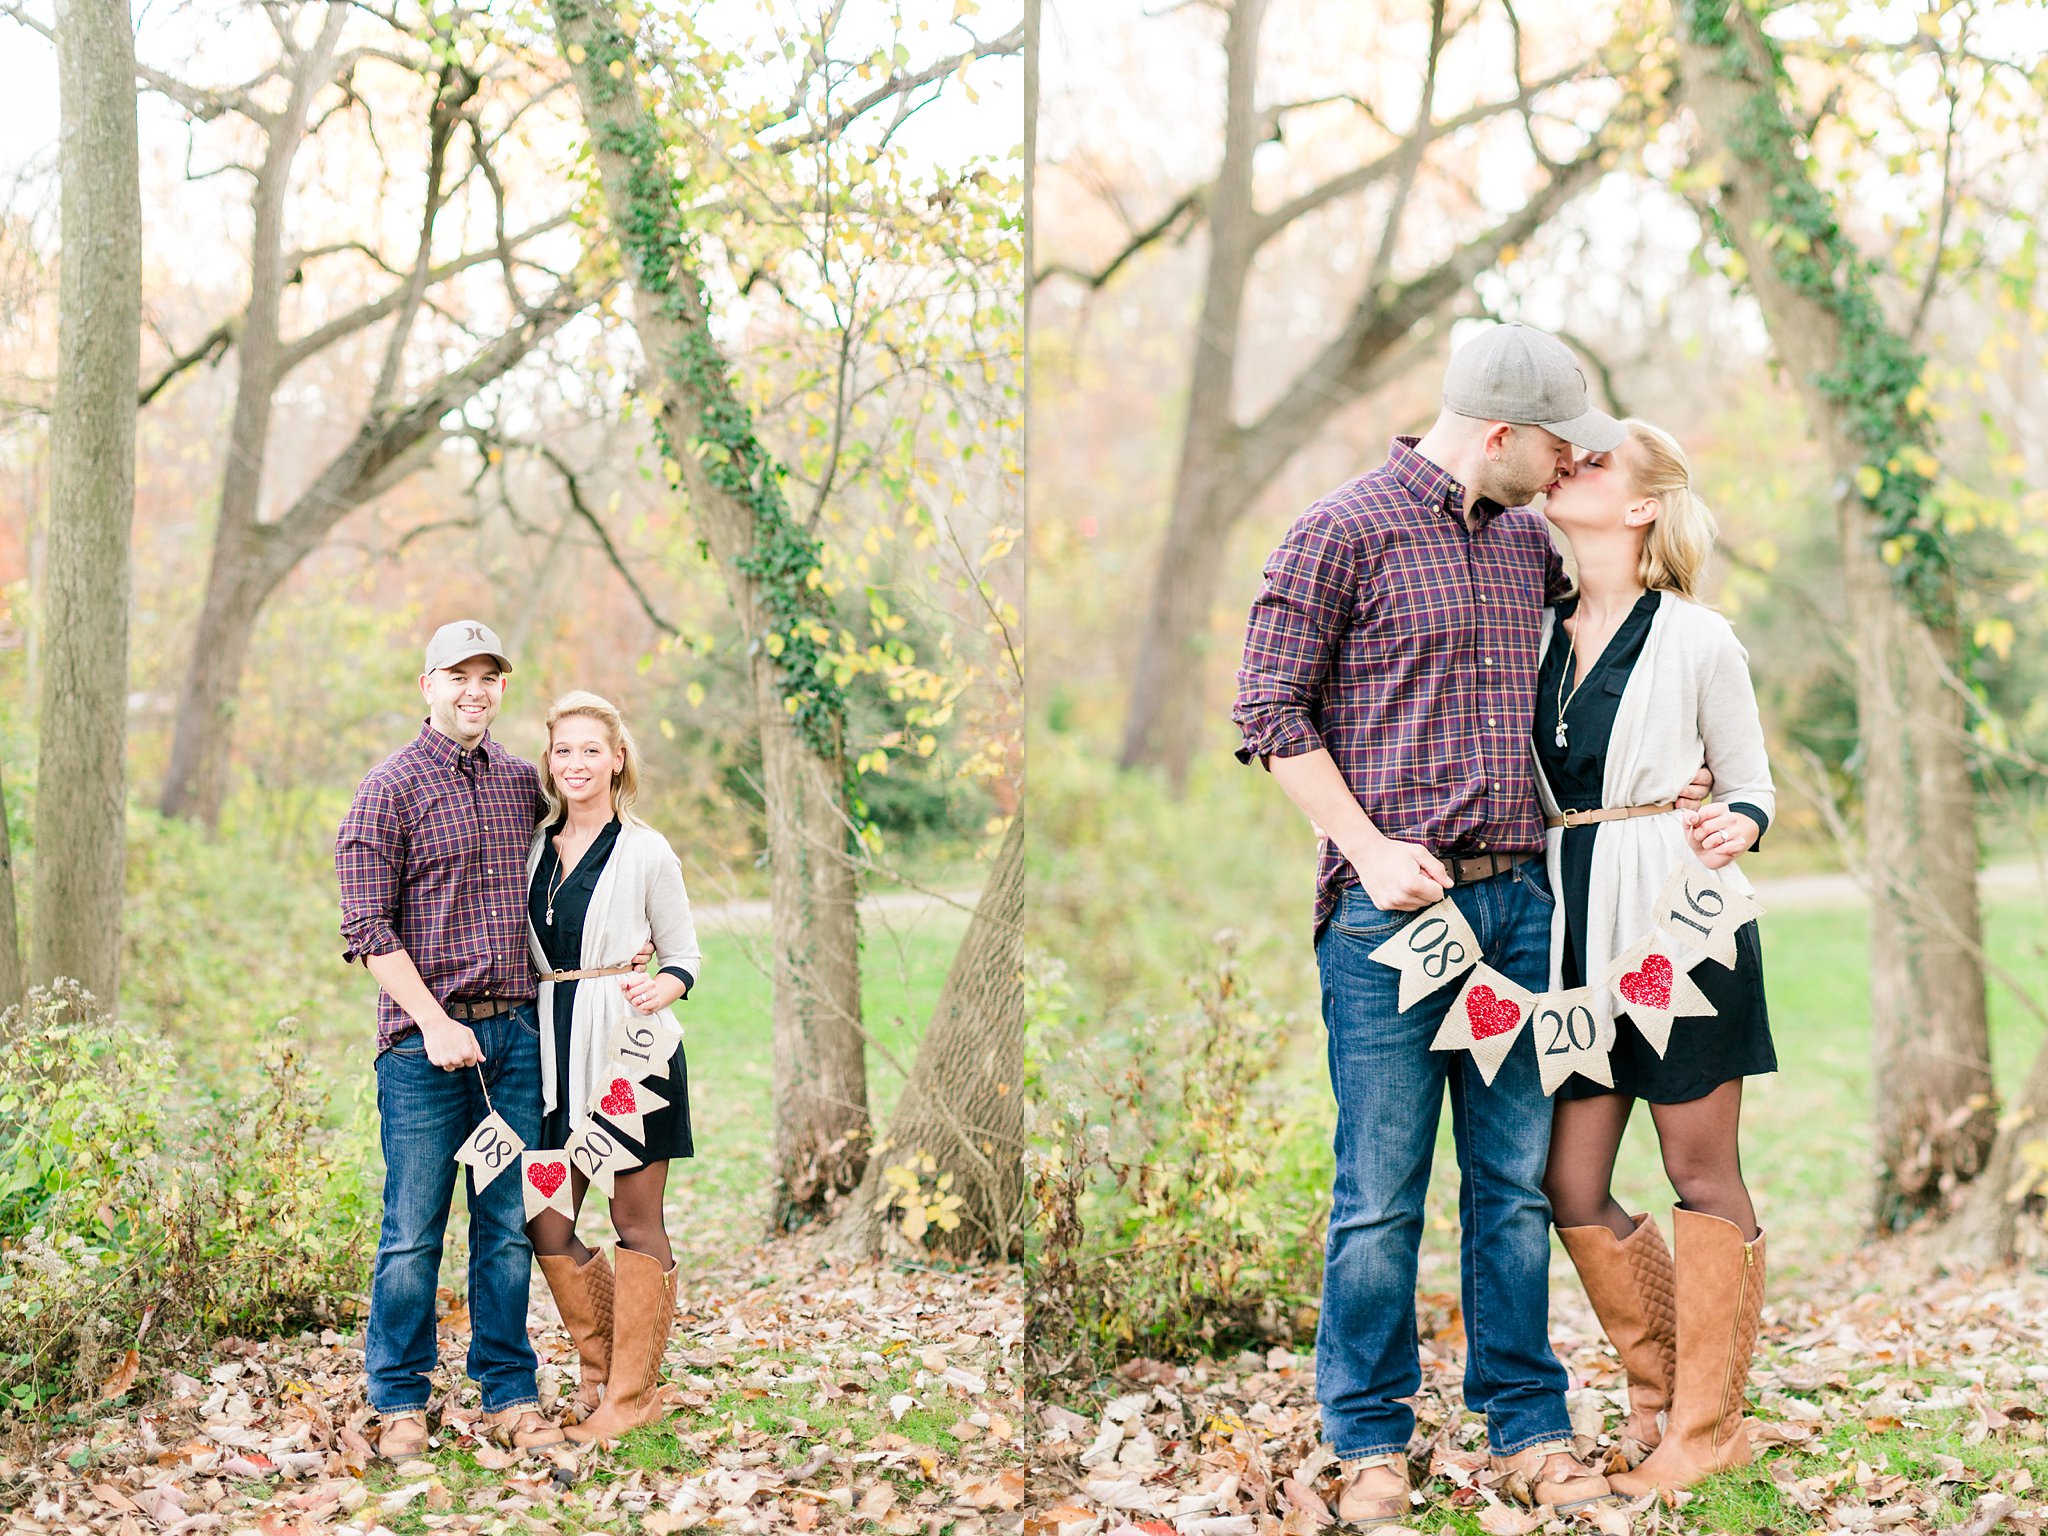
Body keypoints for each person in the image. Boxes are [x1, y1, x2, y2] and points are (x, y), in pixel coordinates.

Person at [1232, 324, 1709, 1524]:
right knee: (1379, 1191)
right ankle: (1368, 1435)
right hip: (1391, 923)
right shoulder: (1338, 532)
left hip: (1521, 910)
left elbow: (1608, 650)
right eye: (1556, 448)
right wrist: (1363, 844)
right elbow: (1266, 711)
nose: (1566, 470)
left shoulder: (1521, 547)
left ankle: (1526, 1423)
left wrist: (1669, 782)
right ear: (1498, 434)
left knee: (1507, 1185)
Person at [1534, 421, 1773, 1495]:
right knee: (1567, 1179)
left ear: (1639, 507)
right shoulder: (1531, 626)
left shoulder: (1696, 638)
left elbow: (1751, 782)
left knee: (1694, 1169)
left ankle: (1705, 1430)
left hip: (1684, 926)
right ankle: (1664, 1385)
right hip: (1575, 927)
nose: (1566, 465)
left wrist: (1735, 821)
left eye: (1592, 462)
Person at [336, 621, 564, 1456]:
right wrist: (433, 1022)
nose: (474, 690)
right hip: (422, 1054)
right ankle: (399, 1400)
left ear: (503, 688)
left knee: (505, 1226)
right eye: (457, 675)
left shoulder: (518, 784)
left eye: (489, 676)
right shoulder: (387, 788)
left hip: (513, 1046)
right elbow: (365, 925)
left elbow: (570, 869)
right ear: (426, 685)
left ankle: (508, 1392)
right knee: (413, 1229)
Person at [523, 691, 700, 1446]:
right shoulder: (531, 845)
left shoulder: (648, 850)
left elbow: (683, 955)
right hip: (552, 1054)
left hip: (632, 1056)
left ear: (617, 759)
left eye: (592, 749)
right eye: (564, 751)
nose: (577, 764)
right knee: (546, 1218)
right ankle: (599, 1372)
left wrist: (659, 984)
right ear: (550, 761)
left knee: (634, 1220)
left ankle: (631, 1397)